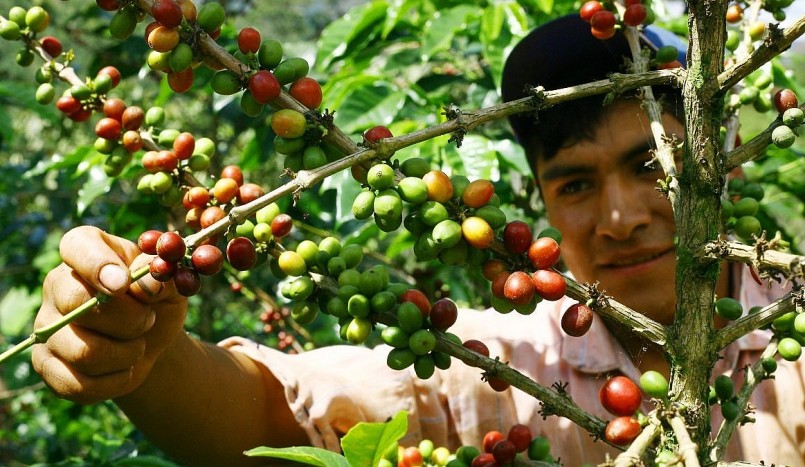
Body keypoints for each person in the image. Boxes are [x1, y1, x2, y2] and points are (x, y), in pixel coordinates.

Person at [31, 14, 805, 466]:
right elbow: (275, 414)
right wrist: (143, 359)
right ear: (538, 200)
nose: (621, 214)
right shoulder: (507, 362)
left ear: (716, 165)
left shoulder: (789, 335)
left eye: (651, 165)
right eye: (573, 182)